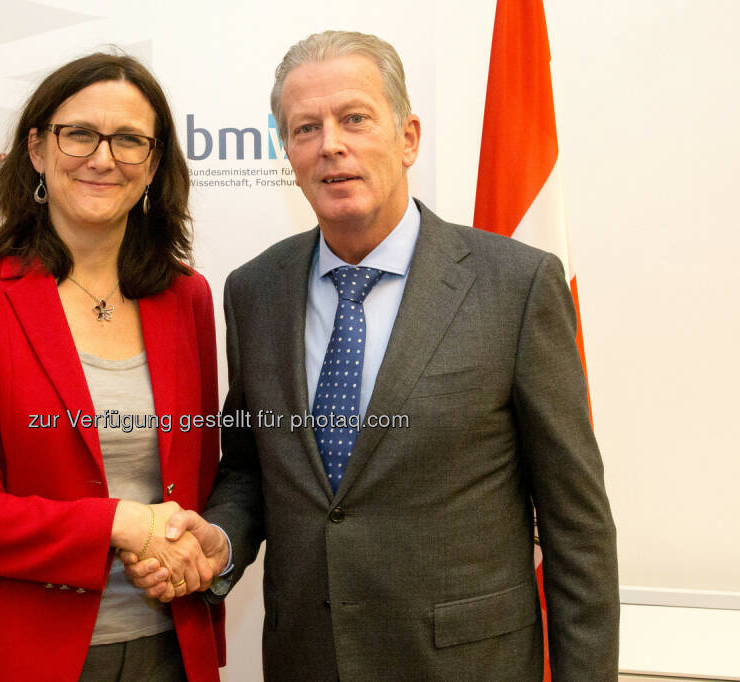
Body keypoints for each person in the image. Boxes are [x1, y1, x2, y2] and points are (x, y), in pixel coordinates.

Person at [124, 30, 619, 680]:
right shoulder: (254, 291)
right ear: (289, 154)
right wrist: (221, 540)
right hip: (308, 659)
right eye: (306, 128)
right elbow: (249, 470)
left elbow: (575, 525)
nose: (330, 143)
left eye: (354, 118)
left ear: (408, 136)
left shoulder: (515, 286)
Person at [0, 53, 223, 681]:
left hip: (169, 647)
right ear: (36, 148)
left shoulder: (187, 296)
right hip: (16, 654)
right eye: (79, 133)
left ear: (154, 164)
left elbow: (197, 482)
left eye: (130, 140)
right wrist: (120, 522)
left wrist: (201, 544)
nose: (103, 159)